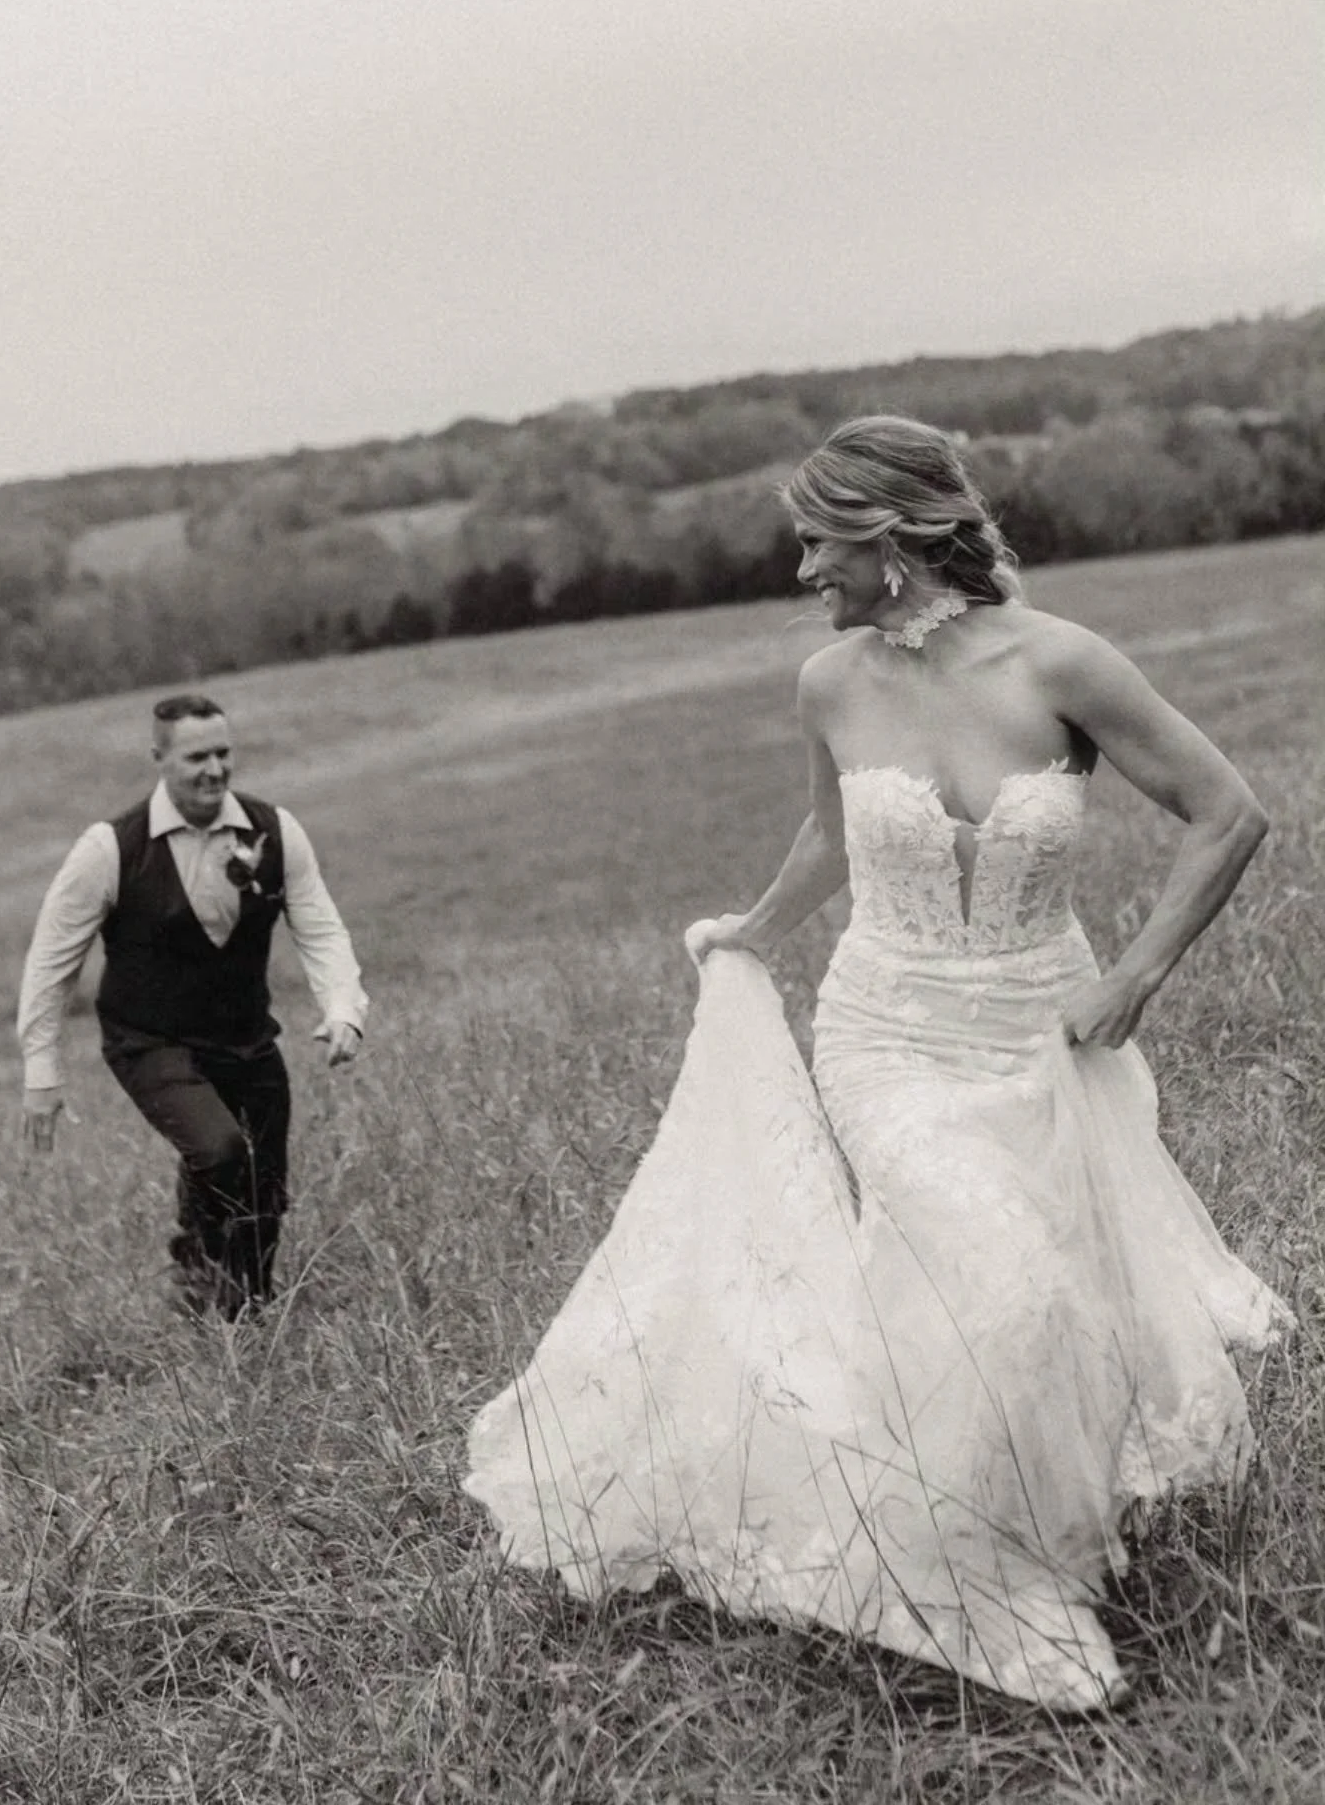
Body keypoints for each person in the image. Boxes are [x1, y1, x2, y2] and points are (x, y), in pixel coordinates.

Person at [464, 415, 1294, 1711]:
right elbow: (825, 833)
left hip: (1041, 1030)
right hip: (886, 1032)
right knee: (1001, 1282)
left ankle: (1008, 1512)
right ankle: (981, 1577)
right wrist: (749, 934)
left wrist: (1135, 977)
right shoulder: (832, 686)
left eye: (817, 541)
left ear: (891, 538)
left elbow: (1227, 812)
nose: (803, 571)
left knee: (1045, 1300)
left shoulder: (1062, 662)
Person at [18, 693, 369, 1318]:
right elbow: (51, 964)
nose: (214, 769)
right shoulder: (109, 849)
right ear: (159, 759)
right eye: (196, 757)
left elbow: (320, 928)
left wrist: (343, 1009)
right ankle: (198, 1272)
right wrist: (42, 1071)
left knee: (265, 1191)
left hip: (245, 1037)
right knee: (219, 1150)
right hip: (150, 1041)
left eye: (223, 753)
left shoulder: (275, 832)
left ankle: (248, 1312)